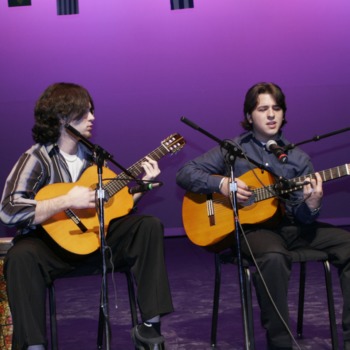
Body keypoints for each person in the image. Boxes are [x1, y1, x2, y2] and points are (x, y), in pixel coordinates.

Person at [176, 82, 350, 350]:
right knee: (273, 256)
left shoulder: (298, 158)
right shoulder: (233, 149)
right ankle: (280, 344)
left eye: (276, 108)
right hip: (251, 231)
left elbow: (301, 217)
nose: (271, 115)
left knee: (348, 244)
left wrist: (312, 203)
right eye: (263, 109)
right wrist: (222, 185)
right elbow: (185, 173)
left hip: (290, 229)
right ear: (249, 116)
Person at [0, 82, 174, 350]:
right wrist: (67, 200)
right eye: (84, 112)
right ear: (62, 117)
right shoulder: (36, 158)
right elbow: (9, 210)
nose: (92, 118)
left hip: (93, 241)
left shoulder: (95, 159)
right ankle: (33, 346)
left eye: (92, 111)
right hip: (49, 247)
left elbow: (111, 208)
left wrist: (142, 187)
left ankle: (150, 325)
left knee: (147, 225)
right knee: (20, 257)